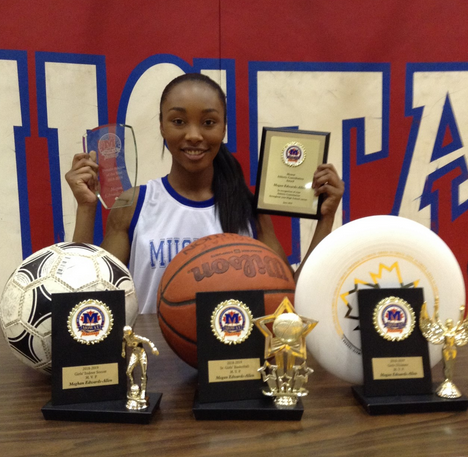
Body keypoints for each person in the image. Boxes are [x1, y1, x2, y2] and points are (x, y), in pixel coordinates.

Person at [66, 73, 344, 313]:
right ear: (161, 126)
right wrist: (86, 208)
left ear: (224, 128)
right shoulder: (133, 203)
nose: (194, 135)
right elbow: (90, 299)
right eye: (179, 121)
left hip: (233, 360)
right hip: (154, 363)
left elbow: (291, 293)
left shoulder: (247, 208)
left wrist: (326, 218)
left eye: (208, 122)